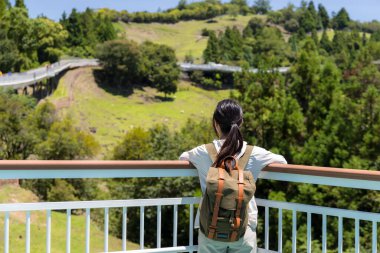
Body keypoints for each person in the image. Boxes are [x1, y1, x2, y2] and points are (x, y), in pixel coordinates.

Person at [180, 99, 287, 253]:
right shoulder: (254, 153)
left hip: (210, 228)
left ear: (215, 123)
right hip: (243, 227)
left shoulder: (202, 152)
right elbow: (282, 161)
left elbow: (183, 158)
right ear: (240, 123)